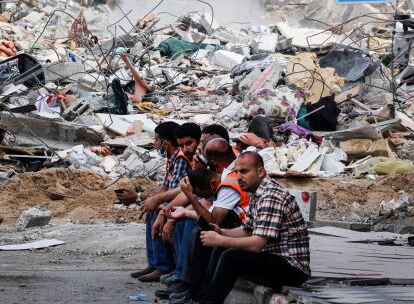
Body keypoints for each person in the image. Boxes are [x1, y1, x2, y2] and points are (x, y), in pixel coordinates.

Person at [194, 152, 311, 304]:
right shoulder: (257, 193)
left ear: (260, 172)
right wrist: (221, 232)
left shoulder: (271, 196)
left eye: (244, 171)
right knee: (221, 248)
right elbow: (247, 230)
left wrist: (221, 239)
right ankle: (203, 297)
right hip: (274, 259)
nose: (238, 177)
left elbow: (256, 244)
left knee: (231, 257)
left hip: (293, 269)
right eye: (236, 172)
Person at [155, 137, 244, 300]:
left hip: (242, 228)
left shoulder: (229, 182)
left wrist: (189, 195)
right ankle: (192, 289)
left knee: (205, 235)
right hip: (238, 226)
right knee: (199, 232)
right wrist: (182, 212)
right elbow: (210, 212)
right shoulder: (225, 175)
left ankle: (198, 292)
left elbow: (212, 221)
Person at [129, 123, 200, 282]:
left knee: (158, 211)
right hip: (183, 198)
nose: (154, 143)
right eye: (182, 145)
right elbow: (165, 188)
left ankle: (164, 266)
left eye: (156, 139)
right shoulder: (172, 158)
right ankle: (154, 263)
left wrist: (160, 206)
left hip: (188, 201)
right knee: (151, 207)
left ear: (165, 143)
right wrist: (143, 197)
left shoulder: (181, 159)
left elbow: (177, 191)